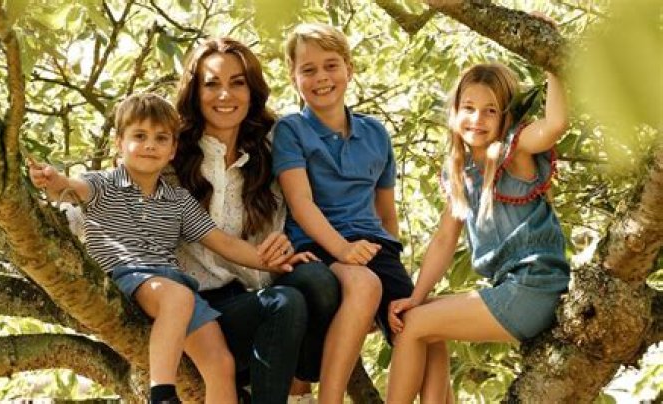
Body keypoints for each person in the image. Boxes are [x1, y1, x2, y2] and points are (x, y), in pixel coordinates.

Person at [28, 93, 313, 404]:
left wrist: (273, 261)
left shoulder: (178, 200)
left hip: (174, 289)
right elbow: (70, 189)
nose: (150, 145)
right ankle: (162, 394)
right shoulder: (103, 184)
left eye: (161, 138)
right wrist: (52, 179)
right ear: (119, 143)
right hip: (129, 276)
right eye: (139, 136)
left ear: (173, 149)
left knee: (221, 363)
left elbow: (224, 243)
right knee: (178, 297)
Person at [271, 22, 448, 403]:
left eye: (331, 65)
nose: (322, 77)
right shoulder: (291, 130)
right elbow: (301, 203)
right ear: (293, 78)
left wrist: (391, 267)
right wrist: (342, 249)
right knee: (365, 285)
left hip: (373, 247)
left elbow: (386, 214)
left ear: (349, 69)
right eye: (308, 69)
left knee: (424, 323)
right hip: (318, 245)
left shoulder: (375, 133)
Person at [385, 61, 570, 402]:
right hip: (512, 289)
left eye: (490, 111)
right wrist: (416, 296)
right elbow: (444, 240)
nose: (477, 119)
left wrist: (553, 65)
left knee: (413, 327)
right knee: (420, 319)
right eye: (468, 108)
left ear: (505, 117)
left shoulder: (514, 151)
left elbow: (555, 125)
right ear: (455, 112)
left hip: (533, 289)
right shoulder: (461, 170)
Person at [171, 37, 341, 404]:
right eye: (211, 84)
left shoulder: (271, 146)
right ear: (195, 92)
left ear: (252, 91)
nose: (225, 95)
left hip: (260, 299)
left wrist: (285, 244)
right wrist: (65, 193)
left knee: (319, 281)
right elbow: (115, 190)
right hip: (201, 312)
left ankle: (299, 386)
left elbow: (325, 196)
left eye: (238, 82)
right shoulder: (172, 151)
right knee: (284, 302)